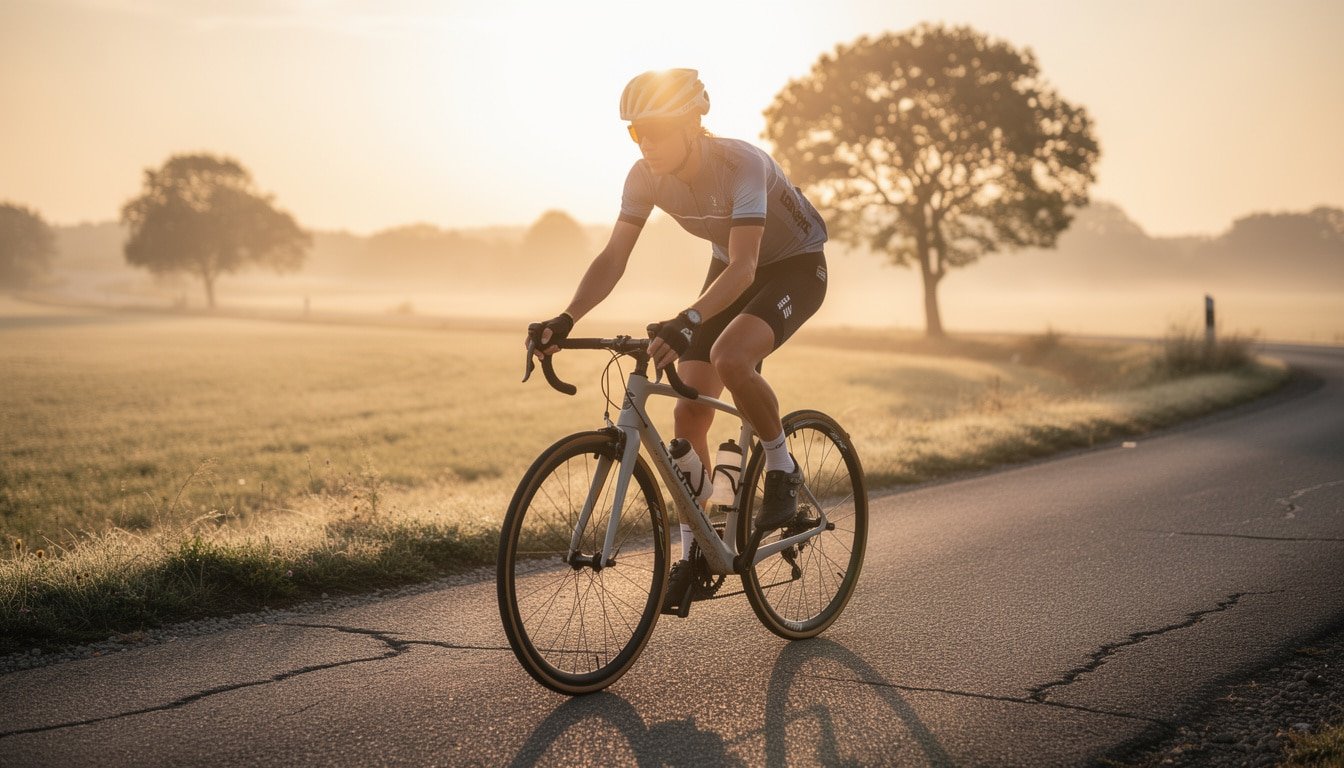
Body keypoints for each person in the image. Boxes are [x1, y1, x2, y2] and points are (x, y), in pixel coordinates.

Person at [528, 68, 828, 609]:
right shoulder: (644, 176)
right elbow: (613, 258)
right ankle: (696, 554)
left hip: (793, 267)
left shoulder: (742, 164)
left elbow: (746, 265)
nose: (648, 143)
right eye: (637, 132)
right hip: (731, 268)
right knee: (688, 415)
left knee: (731, 358)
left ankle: (781, 469)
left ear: (693, 123)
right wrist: (566, 318)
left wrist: (687, 318)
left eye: (658, 129)